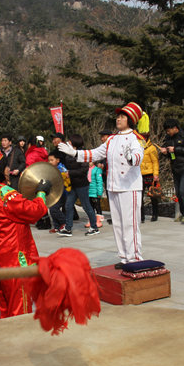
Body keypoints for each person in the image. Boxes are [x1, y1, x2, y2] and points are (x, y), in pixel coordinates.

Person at [59, 102, 145, 267]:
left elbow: (138, 157)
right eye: (118, 116)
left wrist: (131, 157)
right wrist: (74, 153)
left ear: (130, 120)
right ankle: (124, 257)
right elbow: (95, 153)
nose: (118, 119)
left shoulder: (135, 138)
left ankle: (134, 258)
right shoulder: (111, 139)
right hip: (113, 187)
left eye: (122, 117)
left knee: (130, 224)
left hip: (129, 187)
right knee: (118, 225)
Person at [0, 141, 51, 319]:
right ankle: (19, 344)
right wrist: (41, 193)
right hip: (14, 262)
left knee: (1, 306)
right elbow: (35, 212)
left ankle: (3, 343)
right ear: (3, 171)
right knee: (19, 307)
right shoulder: (6, 194)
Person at [58, 133, 99, 237]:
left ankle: (94, 227)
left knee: (86, 206)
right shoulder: (68, 154)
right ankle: (68, 228)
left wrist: (70, 173)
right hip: (73, 185)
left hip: (82, 185)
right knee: (68, 205)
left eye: (70, 141)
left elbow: (84, 169)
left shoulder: (82, 153)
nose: (68, 143)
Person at [160, 118, 184, 223]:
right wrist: (164, 151)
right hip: (175, 167)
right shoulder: (168, 138)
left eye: (168, 130)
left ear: (175, 128)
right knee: (178, 193)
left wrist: (175, 149)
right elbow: (167, 151)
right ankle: (183, 213)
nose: (167, 132)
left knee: (183, 190)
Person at [140, 133, 160, 222]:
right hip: (139, 174)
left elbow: (155, 162)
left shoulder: (152, 148)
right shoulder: (137, 148)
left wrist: (156, 174)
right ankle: (141, 216)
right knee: (139, 196)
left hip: (150, 174)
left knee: (153, 196)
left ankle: (155, 214)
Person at [89, 160, 105, 228]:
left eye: (90, 161)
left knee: (97, 206)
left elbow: (99, 182)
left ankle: (99, 220)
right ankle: (91, 220)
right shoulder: (87, 170)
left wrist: (99, 192)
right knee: (90, 207)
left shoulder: (97, 170)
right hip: (89, 192)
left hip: (95, 192)